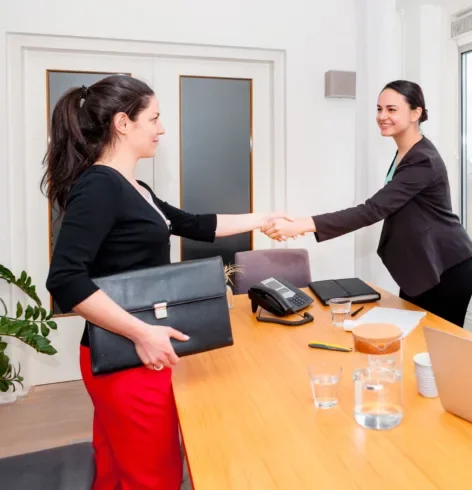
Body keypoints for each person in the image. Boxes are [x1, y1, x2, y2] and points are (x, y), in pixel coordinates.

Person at [43, 75, 289, 489]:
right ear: (123, 123)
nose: (161, 129)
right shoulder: (100, 186)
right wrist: (143, 334)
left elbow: (193, 223)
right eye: (154, 118)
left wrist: (263, 219)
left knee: (116, 467)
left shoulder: (133, 186)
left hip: (132, 350)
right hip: (129, 354)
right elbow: (65, 279)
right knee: (152, 476)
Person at [262, 80, 472, 327]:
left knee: (436, 348)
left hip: (448, 266)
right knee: (413, 339)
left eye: (392, 109)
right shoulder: (405, 152)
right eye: (379, 109)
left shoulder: (422, 159)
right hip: (425, 265)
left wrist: (301, 225)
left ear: (416, 113)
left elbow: (373, 210)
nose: (382, 116)